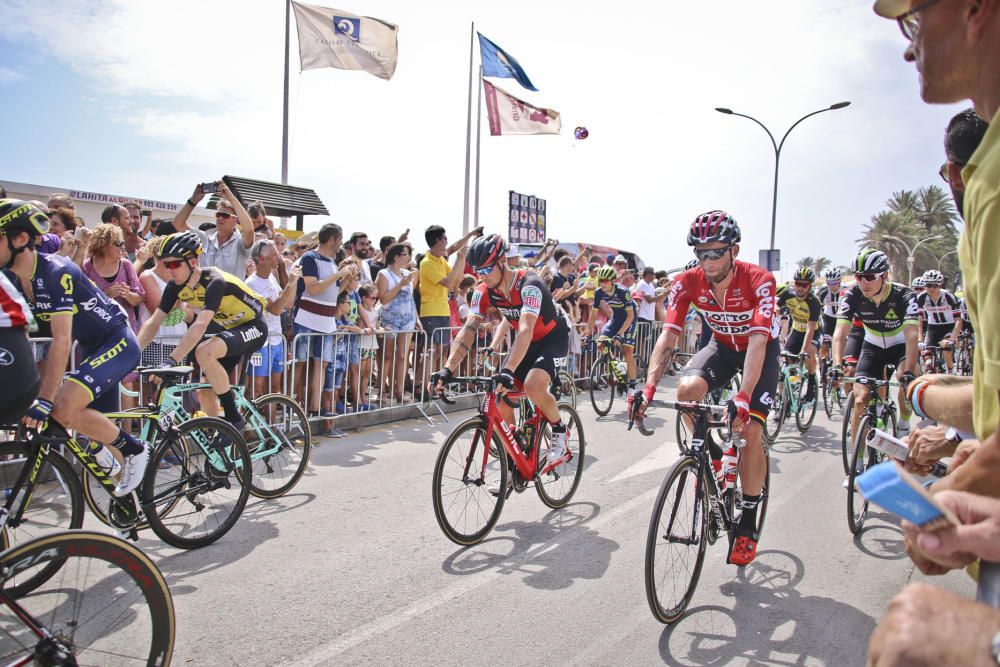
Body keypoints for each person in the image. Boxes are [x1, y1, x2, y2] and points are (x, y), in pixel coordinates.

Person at [633, 210, 779, 566]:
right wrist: (648, 388)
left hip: (758, 350)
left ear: (734, 250)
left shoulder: (759, 280)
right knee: (685, 392)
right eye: (702, 253)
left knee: (750, 429)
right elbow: (668, 336)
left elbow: (759, 343)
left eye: (716, 252)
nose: (708, 260)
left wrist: (743, 397)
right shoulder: (688, 281)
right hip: (722, 348)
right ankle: (711, 456)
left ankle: (746, 522)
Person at [1, 200, 149, 495]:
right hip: (93, 349)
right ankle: (128, 510)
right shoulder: (13, 281)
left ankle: (134, 449)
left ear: (19, 239)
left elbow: (61, 340)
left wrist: (44, 397)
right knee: (76, 420)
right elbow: (27, 344)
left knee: (61, 406)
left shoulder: (56, 272)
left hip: (117, 342)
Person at [432, 234, 572, 468]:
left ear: (502, 262)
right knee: (500, 396)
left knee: (532, 384)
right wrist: (447, 369)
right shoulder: (483, 291)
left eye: (487, 270)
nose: (483, 276)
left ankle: (559, 430)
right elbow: (468, 330)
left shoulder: (530, 285)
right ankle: (515, 454)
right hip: (527, 342)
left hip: (552, 337)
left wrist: (507, 369)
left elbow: (525, 329)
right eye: (478, 271)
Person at [137, 232, 267, 430]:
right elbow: (153, 322)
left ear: (193, 261)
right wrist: (130, 355)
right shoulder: (176, 286)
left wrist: (171, 361)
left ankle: (234, 420)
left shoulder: (215, 281)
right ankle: (217, 441)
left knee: (203, 351)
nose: (170, 270)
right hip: (231, 330)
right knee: (205, 391)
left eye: (175, 264)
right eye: (165, 264)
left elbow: (200, 325)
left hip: (254, 326)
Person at [832, 249, 919, 478]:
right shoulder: (852, 294)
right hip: (872, 346)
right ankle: (857, 462)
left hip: (899, 346)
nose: (863, 282)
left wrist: (909, 371)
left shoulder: (904, 295)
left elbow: (912, 337)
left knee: (905, 380)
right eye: (859, 277)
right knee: (860, 400)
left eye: (870, 276)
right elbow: (840, 333)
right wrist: (835, 365)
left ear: (885, 276)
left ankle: (903, 424)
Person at [419, 225, 479, 378]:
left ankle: (433, 383)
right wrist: (459, 259)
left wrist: (462, 258)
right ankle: (423, 384)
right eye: (444, 238)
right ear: (438, 240)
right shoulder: (427, 262)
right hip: (430, 312)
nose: (447, 241)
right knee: (430, 351)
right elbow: (448, 282)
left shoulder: (440, 261)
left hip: (443, 310)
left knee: (441, 351)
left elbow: (457, 279)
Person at [246, 239, 301, 397]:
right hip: (260, 342)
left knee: (274, 389)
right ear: (261, 259)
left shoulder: (271, 278)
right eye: (275, 254)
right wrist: (290, 284)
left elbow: (288, 304)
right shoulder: (252, 283)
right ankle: (249, 421)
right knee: (256, 389)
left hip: (276, 339)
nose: (279, 257)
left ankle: (271, 423)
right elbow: (276, 309)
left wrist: (293, 282)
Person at [172, 181, 255, 278]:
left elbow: (249, 229)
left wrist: (231, 198)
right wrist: (193, 200)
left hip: (231, 293)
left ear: (236, 220)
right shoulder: (204, 238)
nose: (220, 218)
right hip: (205, 293)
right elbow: (177, 223)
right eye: (218, 214)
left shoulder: (240, 242)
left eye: (225, 215)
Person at [376, 243, 419, 402]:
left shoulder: (407, 274)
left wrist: (417, 318)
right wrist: (401, 284)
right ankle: (381, 390)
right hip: (390, 318)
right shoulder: (383, 274)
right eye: (405, 254)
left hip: (407, 319)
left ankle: (399, 391)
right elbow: (383, 299)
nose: (408, 257)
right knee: (387, 355)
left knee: (402, 355)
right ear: (396, 256)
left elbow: (410, 299)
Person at [588, 266, 638, 394]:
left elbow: (630, 316)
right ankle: (617, 368)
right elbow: (593, 314)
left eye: (605, 280)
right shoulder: (599, 292)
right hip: (615, 319)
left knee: (627, 352)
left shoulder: (623, 291)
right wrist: (588, 335)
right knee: (601, 344)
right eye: (600, 280)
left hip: (629, 319)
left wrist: (620, 334)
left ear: (612, 281)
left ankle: (632, 386)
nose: (602, 283)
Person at [777, 267, 822, 402]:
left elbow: (810, 329)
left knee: (808, 353)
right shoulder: (788, 294)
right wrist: (780, 310)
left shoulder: (814, 302)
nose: (800, 288)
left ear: (810, 286)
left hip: (813, 332)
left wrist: (803, 352)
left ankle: (812, 382)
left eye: (804, 285)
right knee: (788, 360)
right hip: (796, 331)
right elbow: (776, 306)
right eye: (798, 284)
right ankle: (788, 396)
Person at [916, 268, 961, 372]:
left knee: (946, 350)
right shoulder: (921, 298)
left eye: (935, 286)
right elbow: (919, 320)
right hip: (933, 328)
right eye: (928, 285)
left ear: (940, 285)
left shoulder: (949, 297)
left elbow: (958, 321)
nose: (931, 289)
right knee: (926, 356)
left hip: (948, 327)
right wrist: (919, 340)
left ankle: (950, 372)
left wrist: (952, 339)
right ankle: (929, 371)